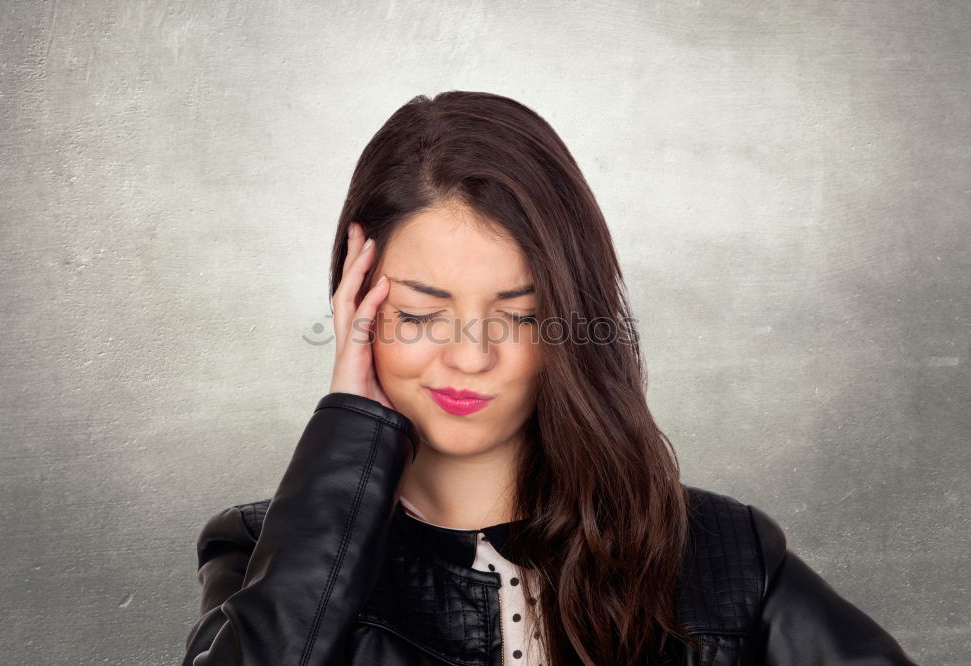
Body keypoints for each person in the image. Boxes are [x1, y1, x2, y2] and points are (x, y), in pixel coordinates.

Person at [181, 91, 917, 665]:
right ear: (355, 307)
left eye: (521, 317)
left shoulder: (724, 554)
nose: (471, 356)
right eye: (420, 314)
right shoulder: (266, 552)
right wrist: (347, 423)